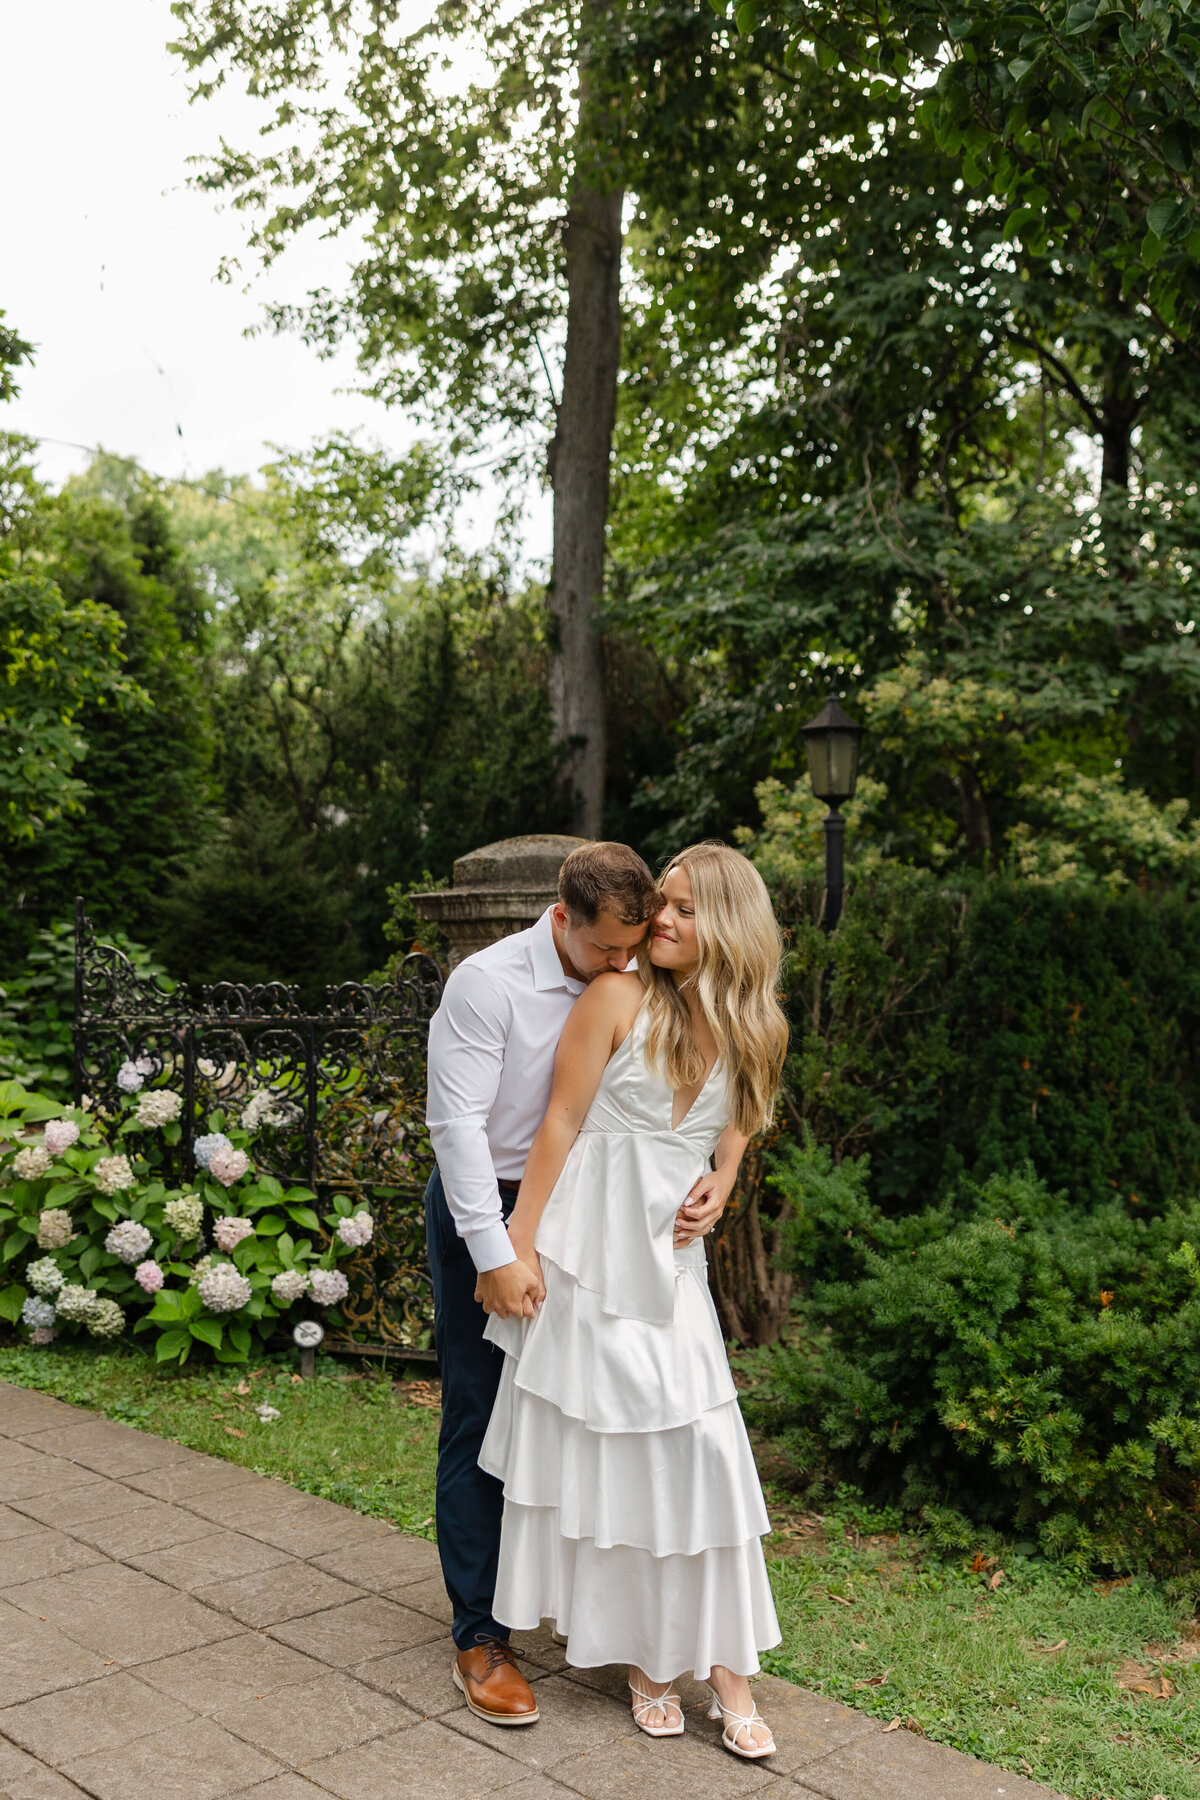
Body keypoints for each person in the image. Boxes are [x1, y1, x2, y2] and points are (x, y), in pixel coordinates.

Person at [478, 841, 788, 1759]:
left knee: (701, 1451)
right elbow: (559, 1125)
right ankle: (647, 1663)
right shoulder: (617, 999)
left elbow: (742, 1116)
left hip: (670, 1266)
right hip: (586, 1257)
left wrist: (725, 1177)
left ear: (727, 926)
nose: (662, 919)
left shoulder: (753, 1026)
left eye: (686, 910)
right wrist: (516, 1249)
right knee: (615, 1457)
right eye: (665, 903)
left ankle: (729, 1669)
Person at [425, 842, 674, 1725]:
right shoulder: (487, 985)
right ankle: (480, 1635)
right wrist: (495, 1254)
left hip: (595, 1213)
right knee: (482, 1413)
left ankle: (581, 1608)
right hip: (488, 1211)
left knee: (585, 1417)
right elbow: (456, 1129)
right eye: (609, 950)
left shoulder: (646, 975)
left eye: (633, 948)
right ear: (562, 918)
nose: (624, 965)